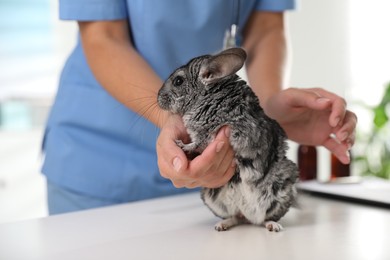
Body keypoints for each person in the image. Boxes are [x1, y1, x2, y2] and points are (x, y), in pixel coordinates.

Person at [43, 0, 357, 214]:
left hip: (210, 167)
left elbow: (266, 29)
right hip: (101, 161)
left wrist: (267, 109)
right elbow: (103, 36)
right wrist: (173, 121)